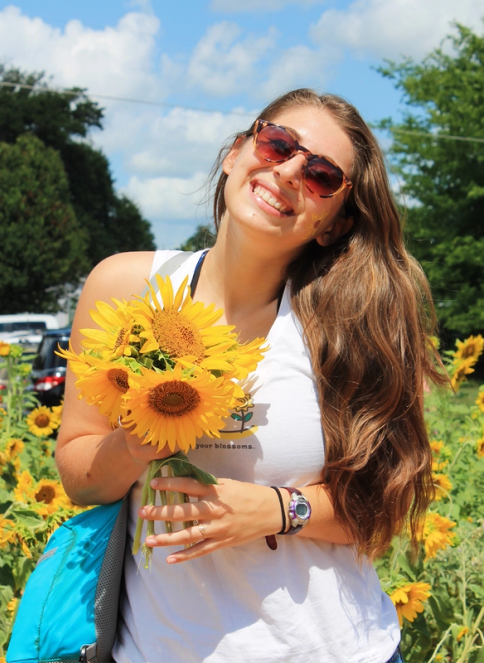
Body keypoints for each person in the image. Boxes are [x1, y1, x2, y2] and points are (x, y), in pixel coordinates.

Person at [56, 89, 445, 662]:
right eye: (277, 143)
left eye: (321, 176)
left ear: (333, 223)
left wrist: (277, 510)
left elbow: (384, 506)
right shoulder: (125, 287)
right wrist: (138, 439)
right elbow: (79, 477)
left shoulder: (355, 321)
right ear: (237, 153)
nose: (287, 171)